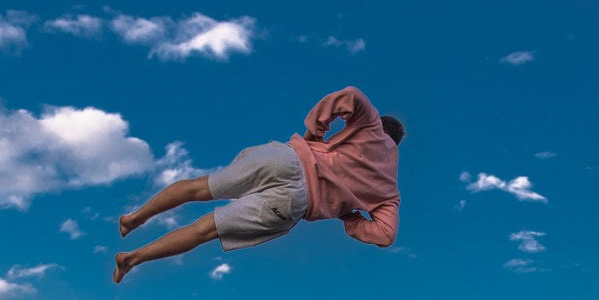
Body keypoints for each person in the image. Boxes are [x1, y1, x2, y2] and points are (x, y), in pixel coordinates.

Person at [114, 86, 402, 283]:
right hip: (293, 203)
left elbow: (350, 95)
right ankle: (132, 258)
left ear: (380, 125)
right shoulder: (389, 192)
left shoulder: (371, 127)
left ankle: (134, 218)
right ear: (398, 144)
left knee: (198, 188)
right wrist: (347, 213)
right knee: (203, 231)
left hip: (286, 160)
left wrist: (315, 133)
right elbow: (385, 234)